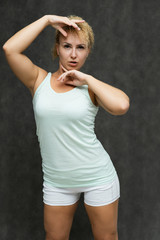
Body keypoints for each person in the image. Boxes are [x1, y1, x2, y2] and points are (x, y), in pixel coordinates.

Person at [3, 14, 130, 240]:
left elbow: (121, 105)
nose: (73, 54)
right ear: (57, 48)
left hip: (97, 177)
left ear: (88, 51)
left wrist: (87, 79)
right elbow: (10, 49)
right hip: (57, 182)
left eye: (80, 47)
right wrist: (46, 20)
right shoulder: (38, 80)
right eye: (67, 46)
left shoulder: (91, 88)